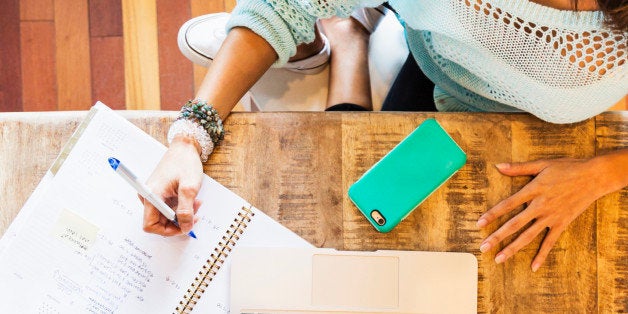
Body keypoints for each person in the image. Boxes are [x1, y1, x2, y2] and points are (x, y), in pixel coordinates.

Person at [144, 1, 628, 273]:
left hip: (535, 135)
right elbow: (281, 5)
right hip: (438, 65)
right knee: (358, 215)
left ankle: (350, 37)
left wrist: (602, 173)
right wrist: (190, 137)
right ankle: (350, 35)